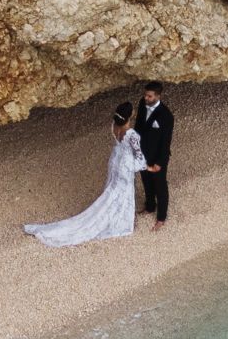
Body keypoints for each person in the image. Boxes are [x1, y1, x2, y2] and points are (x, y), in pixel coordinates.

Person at [24, 103, 146, 247]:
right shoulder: (132, 135)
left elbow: (119, 144)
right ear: (129, 116)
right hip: (125, 166)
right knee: (123, 193)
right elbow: (139, 157)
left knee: (113, 190)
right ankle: (119, 221)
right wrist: (146, 166)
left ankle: (111, 214)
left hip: (115, 162)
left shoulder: (115, 126)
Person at [133, 80, 173, 229]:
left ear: (158, 96)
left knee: (160, 186)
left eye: (149, 96)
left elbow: (166, 142)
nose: (146, 98)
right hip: (142, 154)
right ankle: (150, 206)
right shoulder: (142, 104)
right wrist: (135, 149)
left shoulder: (166, 116)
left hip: (157, 157)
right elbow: (138, 126)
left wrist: (159, 163)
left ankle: (161, 217)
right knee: (146, 181)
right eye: (145, 95)